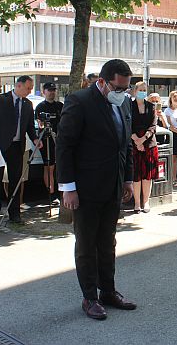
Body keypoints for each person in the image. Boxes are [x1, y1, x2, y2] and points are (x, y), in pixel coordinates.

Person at [56, 59, 136, 321]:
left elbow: (126, 146)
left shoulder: (123, 103)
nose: (122, 93)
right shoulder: (80, 101)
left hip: (113, 187)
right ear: (102, 81)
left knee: (107, 242)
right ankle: (89, 297)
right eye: (118, 87)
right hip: (85, 189)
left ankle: (108, 291)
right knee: (87, 245)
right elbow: (64, 146)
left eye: (126, 88)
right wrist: (68, 188)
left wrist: (127, 180)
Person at [0, 75, 41, 227]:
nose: (30, 91)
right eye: (28, 88)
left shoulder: (28, 104)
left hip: (17, 147)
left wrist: (35, 139)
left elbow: (30, 126)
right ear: (19, 85)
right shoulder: (1, 100)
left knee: (15, 181)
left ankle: (14, 213)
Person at [131, 82, 159, 214]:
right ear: (135, 91)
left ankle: (145, 202)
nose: (142, 91)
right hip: (134, 144)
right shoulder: (129, 106)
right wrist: (137, 141)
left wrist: (143, 140)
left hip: (149, 144)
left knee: (147, 176)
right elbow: (127, 124)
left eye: (144, 90)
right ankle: (137, 203)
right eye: (140, 89)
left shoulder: (151, 107)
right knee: (136, 175)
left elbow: (153, 126)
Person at [34, 82, 63, 206]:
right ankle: (51, 194)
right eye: (49, 90)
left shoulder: (60, 106)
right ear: (44, 92)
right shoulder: (40, 106)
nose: (52, 92)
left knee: (60, 166)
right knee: (49, 167)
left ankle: (62, 191)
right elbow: (40, 124)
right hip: (46, 139)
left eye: (53, 90)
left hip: (60, 140)